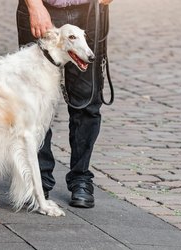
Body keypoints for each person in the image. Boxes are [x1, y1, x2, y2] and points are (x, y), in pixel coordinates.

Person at [17, 0, 113, 208]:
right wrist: (34, 6)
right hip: (43, 9)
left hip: (89, 10)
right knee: (35, 104)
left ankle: (81, 178)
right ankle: (38, 179)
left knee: (87, 101)